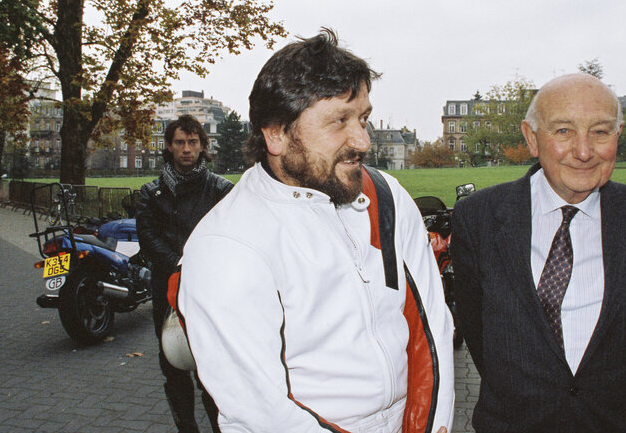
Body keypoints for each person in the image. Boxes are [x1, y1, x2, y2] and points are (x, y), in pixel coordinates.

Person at [175, 29, 455, 432]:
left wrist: (433, 427)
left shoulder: (385, 195)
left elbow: (432, 326)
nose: (362, 140)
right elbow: (261, 412)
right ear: (276, 134)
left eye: (362, 118)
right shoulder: (226, 245)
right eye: (338, 121)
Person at [451, 73, 626, 433]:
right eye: (563, 131)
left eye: (600, 131)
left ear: (618, 135)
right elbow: (478, 328)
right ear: (532, 138)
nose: (584, 151)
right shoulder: (479, 217)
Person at [136, 114, 234, 433]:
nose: (187, 149)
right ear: (168, 146)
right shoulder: (151, 194)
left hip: (210, 294)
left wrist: (202, 266)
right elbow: (148, 238)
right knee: (173, 365)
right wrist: (179, 264)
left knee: (211, 369)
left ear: (203, 146)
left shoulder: (221, 191)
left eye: (193, 142)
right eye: (180, 142)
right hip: (167, 291)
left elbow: (234, 237)